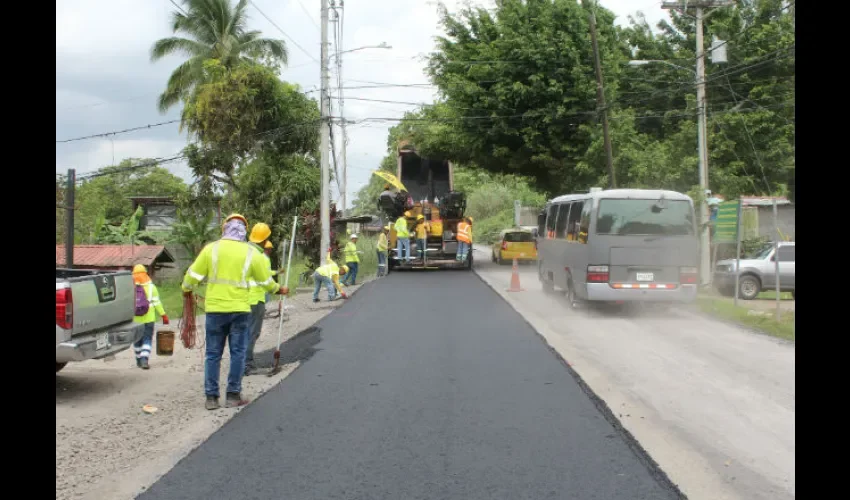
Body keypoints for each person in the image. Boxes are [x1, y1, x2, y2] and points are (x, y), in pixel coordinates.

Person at [182, 214, 288, 410]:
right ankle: (232, 395)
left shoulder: (211, 249)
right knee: (238, 352)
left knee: (213, 354)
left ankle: (211, 398)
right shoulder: (251, 253)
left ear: (224, 229)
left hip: (215, 310)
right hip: (240, 309)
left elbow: (193, 276)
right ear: (244, 231)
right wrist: (278, 290)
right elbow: (265, 281)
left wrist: (186, 288)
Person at [244, 222, 278, 377]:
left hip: (243, 298)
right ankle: (247, 365)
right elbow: (265, 280)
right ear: (265, 241)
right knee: (252, 332)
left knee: (243, 332)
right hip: (255, 298)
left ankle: (241, 362)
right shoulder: (259, 257)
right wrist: (279, 289)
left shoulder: (244, 251)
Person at [132, 264, 168, 370]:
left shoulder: (130, 287)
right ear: (145, 273)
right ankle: (144, 359)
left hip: (135, 320)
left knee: (137, 340)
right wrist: (163, 315)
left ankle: (138, 359)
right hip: (149, 318)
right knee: (147, 339)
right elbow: (157, 303)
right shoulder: (151, 287)